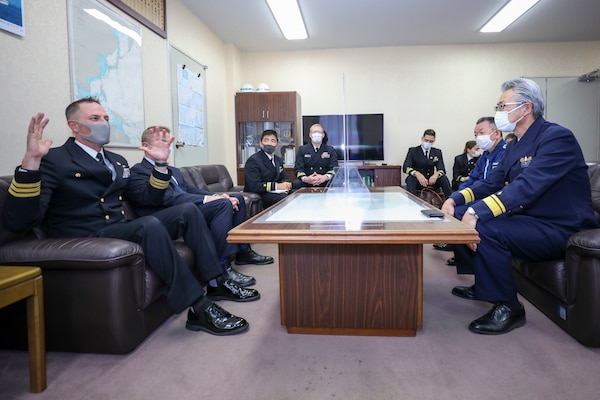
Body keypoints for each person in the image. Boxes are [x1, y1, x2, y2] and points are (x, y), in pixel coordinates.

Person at [3, 98, 258, 336]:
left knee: (188, 210)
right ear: (74, 126)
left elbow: (149, 199)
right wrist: (31, 162)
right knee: (149, 225)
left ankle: (216, 280)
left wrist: (159, 165)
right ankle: (198, 308)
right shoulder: (55, 159)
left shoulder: (117, 161)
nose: (104, 123)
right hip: (84, 233)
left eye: (105, 117)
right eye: (94, 119)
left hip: (117, 228)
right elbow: (21, 221)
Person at [441, 78, 597, 335]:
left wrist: (476, 211)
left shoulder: (557, 137)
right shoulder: (514, 144)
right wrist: (455, 200)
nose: (498, 111)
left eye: (502, 105)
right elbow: (490, 182)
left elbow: (526, 186)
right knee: (458, 215)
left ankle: (509, 307)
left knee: (486, 227)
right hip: (531, 220)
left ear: (526, 108)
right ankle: (481, 281)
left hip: (560, 227)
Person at [130, 126, 274, 280]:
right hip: (173, 215)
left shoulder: (173, 170)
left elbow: (190, 190)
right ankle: (223, 266)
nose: (166, 145)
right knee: (223, 205)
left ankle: (244, 251)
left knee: (235, 198)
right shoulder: (139, 171)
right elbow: (170, 198)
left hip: (190, 207)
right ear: (146, 146)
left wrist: (217, 195)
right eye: (161, 142)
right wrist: (211, 199)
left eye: (167, 141)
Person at [444, 116, 507, 266]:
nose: (478, 137)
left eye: (481, 132)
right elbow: (472, 181)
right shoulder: (485, 155)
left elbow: (498, 185)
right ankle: (467, 262)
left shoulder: (506, 153)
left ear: (496, 133)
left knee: (460, 213)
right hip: (479, 198)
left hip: (498, 202)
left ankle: (473, 264)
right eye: (475, 134)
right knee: (455, 210)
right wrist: (454, 198)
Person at [244, 129, 292, 208]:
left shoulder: (278, 160)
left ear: (276, 145)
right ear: (261, 144)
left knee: (295, 193)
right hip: (260, 193)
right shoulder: (253, 160)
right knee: (283, 198)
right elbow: (254, 186)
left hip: (275, 192)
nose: (269, 143)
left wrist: (286, 185)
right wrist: (277, 186)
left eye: (272, 141)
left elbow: (285, 178)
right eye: (266, 140)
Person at [403, 129, 452, 197]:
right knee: (410, 179)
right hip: (418, 180)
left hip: (431, 180)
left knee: (443, 178)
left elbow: (442, 169)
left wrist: (436, 175)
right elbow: (406, 167)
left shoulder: (437, 152)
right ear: (422, 138)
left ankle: (450, 201)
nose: (428, 143)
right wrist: (417, 174)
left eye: (431, 141)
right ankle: (412, 203)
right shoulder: (413, 151)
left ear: (434, 140)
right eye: (426, 140)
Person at [292, 123, 338, 189]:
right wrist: (306, 179)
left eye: (319, 132)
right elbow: (298, 169)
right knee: (296, 184)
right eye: (314, 132)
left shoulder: (330, 150)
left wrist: (325, 177)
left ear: (323, 135)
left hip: (324, 181)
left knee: (335, 184)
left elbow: (334, 168)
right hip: (307, 181)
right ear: (310, 135)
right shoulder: (302, 149)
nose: (317, 134)